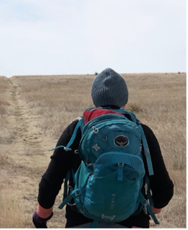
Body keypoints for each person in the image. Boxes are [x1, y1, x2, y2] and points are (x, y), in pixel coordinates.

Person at [32, 68, 174, 228]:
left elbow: (50, 182)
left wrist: (41, 217)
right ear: (124, 100)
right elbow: (164, 189)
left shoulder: (78, 129)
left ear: (95, 98)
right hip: (132, 223)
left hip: (82, 221)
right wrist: (147, 210)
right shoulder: (141, 132)